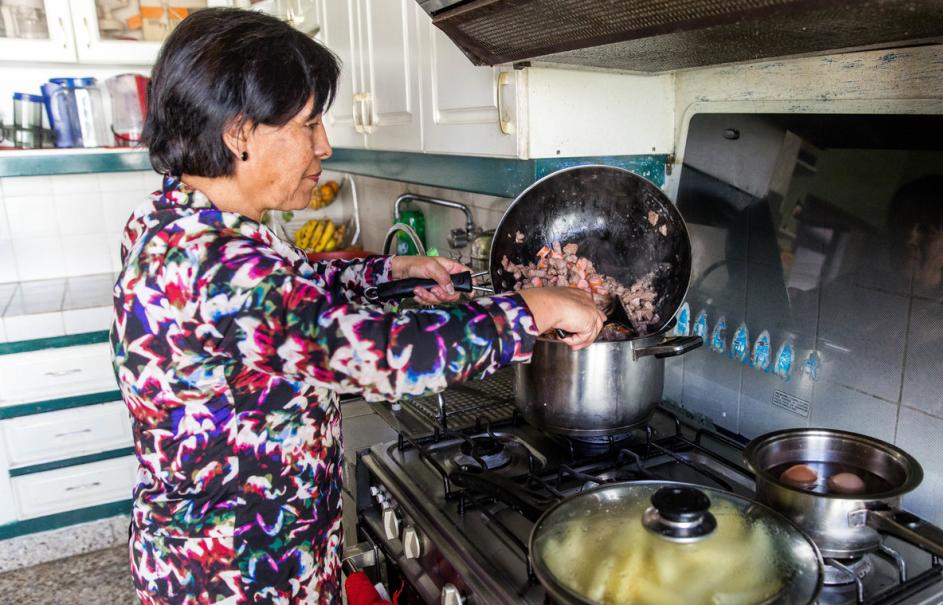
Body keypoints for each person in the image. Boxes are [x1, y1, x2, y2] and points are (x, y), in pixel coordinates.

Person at [111, 8, 604, 603]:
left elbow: (289, 295)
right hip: (240, 575)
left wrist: (388, 270)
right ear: (239, 132)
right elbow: (389, 358)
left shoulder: (182, 223)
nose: (324, 144)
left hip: (249, 549)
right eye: (309, 123)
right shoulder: (212, 262)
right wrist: (534, 307)